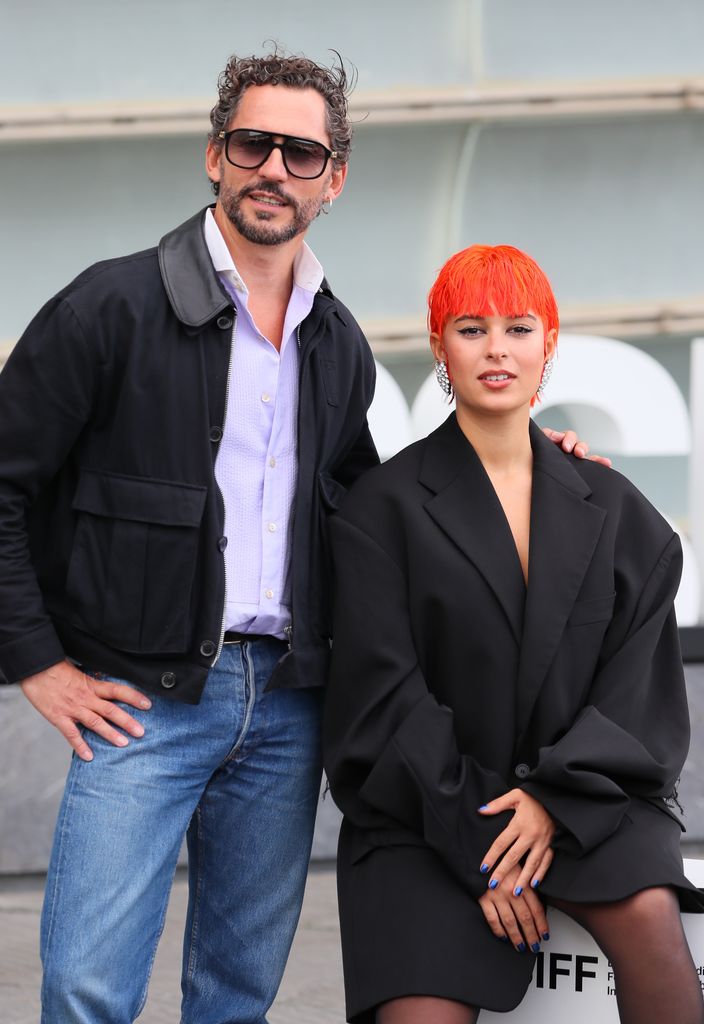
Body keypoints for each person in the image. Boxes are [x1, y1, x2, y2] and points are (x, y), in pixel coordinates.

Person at [0, 49, 602, 1022]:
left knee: (238, 992)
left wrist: (522, 462)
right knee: (84, 988)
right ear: (214, 155)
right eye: (253, 143)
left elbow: (379, 508)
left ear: (334, 179)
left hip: (286, 707)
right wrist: (36, 661)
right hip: (136, 701)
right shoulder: (108, 308)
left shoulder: (336, 340)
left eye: (301, 152)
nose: (273, 167)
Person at [323, 244, 704, 1024]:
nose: (497, 348)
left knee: (650, 923)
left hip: (586, 801)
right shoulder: (379, 511)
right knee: (420, 1013)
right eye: (471, 328)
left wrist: (550, 800)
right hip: (427, 815)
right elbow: (385, 699)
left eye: (518, 327)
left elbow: (638, 691)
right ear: (439, 349)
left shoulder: (617, 509)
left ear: (549, 344)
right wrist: (486, 843)